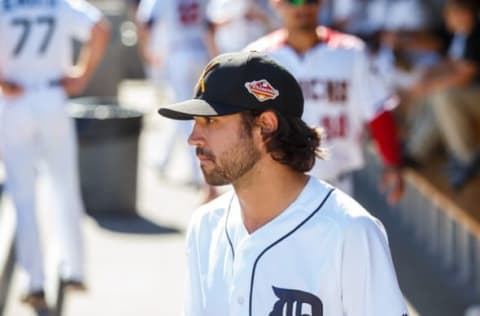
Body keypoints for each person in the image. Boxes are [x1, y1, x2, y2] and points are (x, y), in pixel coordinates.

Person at [157, 51, 408, 316]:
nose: (193, 138)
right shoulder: (205, 225)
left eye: (211, 121)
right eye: (196, 122)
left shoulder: (351, 231)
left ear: (265, 125)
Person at [0, 0, 109, 309]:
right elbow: (100, 27)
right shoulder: (59, 4)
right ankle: (74, 268)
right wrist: (82, 74)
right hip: (52, 97)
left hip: (15, 100)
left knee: (22, 195)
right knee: (65, 185)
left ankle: (33, 280)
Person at [246, 0, 404, 203]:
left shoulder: (351, 52)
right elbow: (240, 122)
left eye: (311, 0)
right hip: (274, 186)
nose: (303, 7)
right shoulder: (257, 57)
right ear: (277, 4)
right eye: (293, 1)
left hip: (335, 186)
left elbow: (378, 112)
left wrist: (392, 163)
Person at [136, 0, 218, 202]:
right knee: (190, 111)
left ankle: (199, 173)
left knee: (186, 115)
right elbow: (210, 23)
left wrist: (146, 50)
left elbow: (145, 22)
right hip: (202, 51)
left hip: (178, 53)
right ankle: (163, 160)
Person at [402, 0, 480, 189]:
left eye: (452, 12)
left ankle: (466, 157)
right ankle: (414, 151)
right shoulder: (461, 35)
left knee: (443, 95)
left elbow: (464, 75)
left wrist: (431, 84)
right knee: (434, 91)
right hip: (470, 98)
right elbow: (451, 64)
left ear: (465, 14)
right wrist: (427, 77)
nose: (447, 16)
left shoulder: (477, 34)